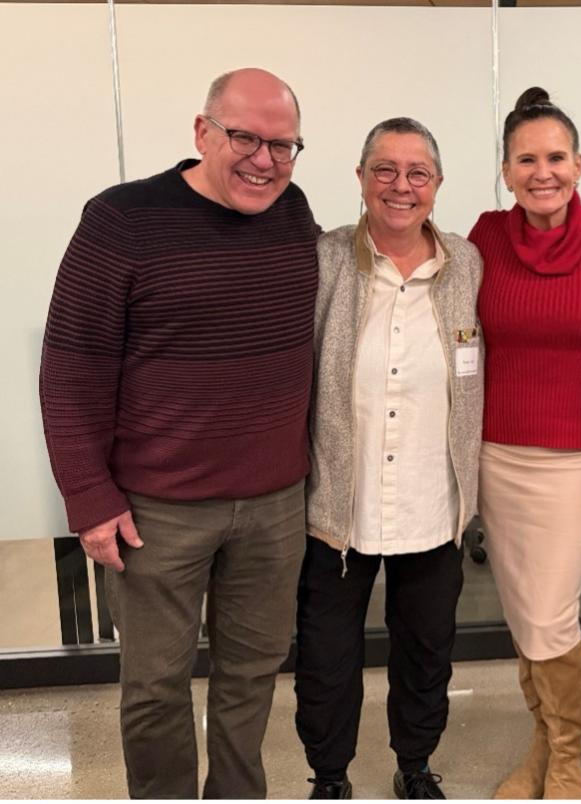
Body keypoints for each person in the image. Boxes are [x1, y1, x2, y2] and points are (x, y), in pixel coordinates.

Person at [38, 68, 317, 798]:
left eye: (283, 145)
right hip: (156, 511)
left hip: (276, 505)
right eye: (244, 138)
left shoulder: (295, 214)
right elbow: (70, 368)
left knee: (251, 675)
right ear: (201, 132)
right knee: (157, 687)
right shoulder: (121, 220)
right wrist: (90, 499)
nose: (265, 160)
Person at [294, 117, 484, 801]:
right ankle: (331, 775)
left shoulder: (466, 263)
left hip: (433, 502)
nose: (401, 187)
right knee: (326, 657)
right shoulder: (322, 260)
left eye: (417, 173)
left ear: (436, 185)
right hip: (338, 508)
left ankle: (415, 764)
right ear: (360, 178)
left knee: (427, 650)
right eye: (385, 170)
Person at [467, 87, 581, 800]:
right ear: (507, 171)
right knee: (521, 611)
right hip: (495, 452)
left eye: (556, 157)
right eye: (527, 159)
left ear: (580, 164)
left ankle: (566, 753)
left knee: (551, 612)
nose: (543, 171)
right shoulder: (482, 236)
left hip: (575, 453)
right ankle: (543, 744)